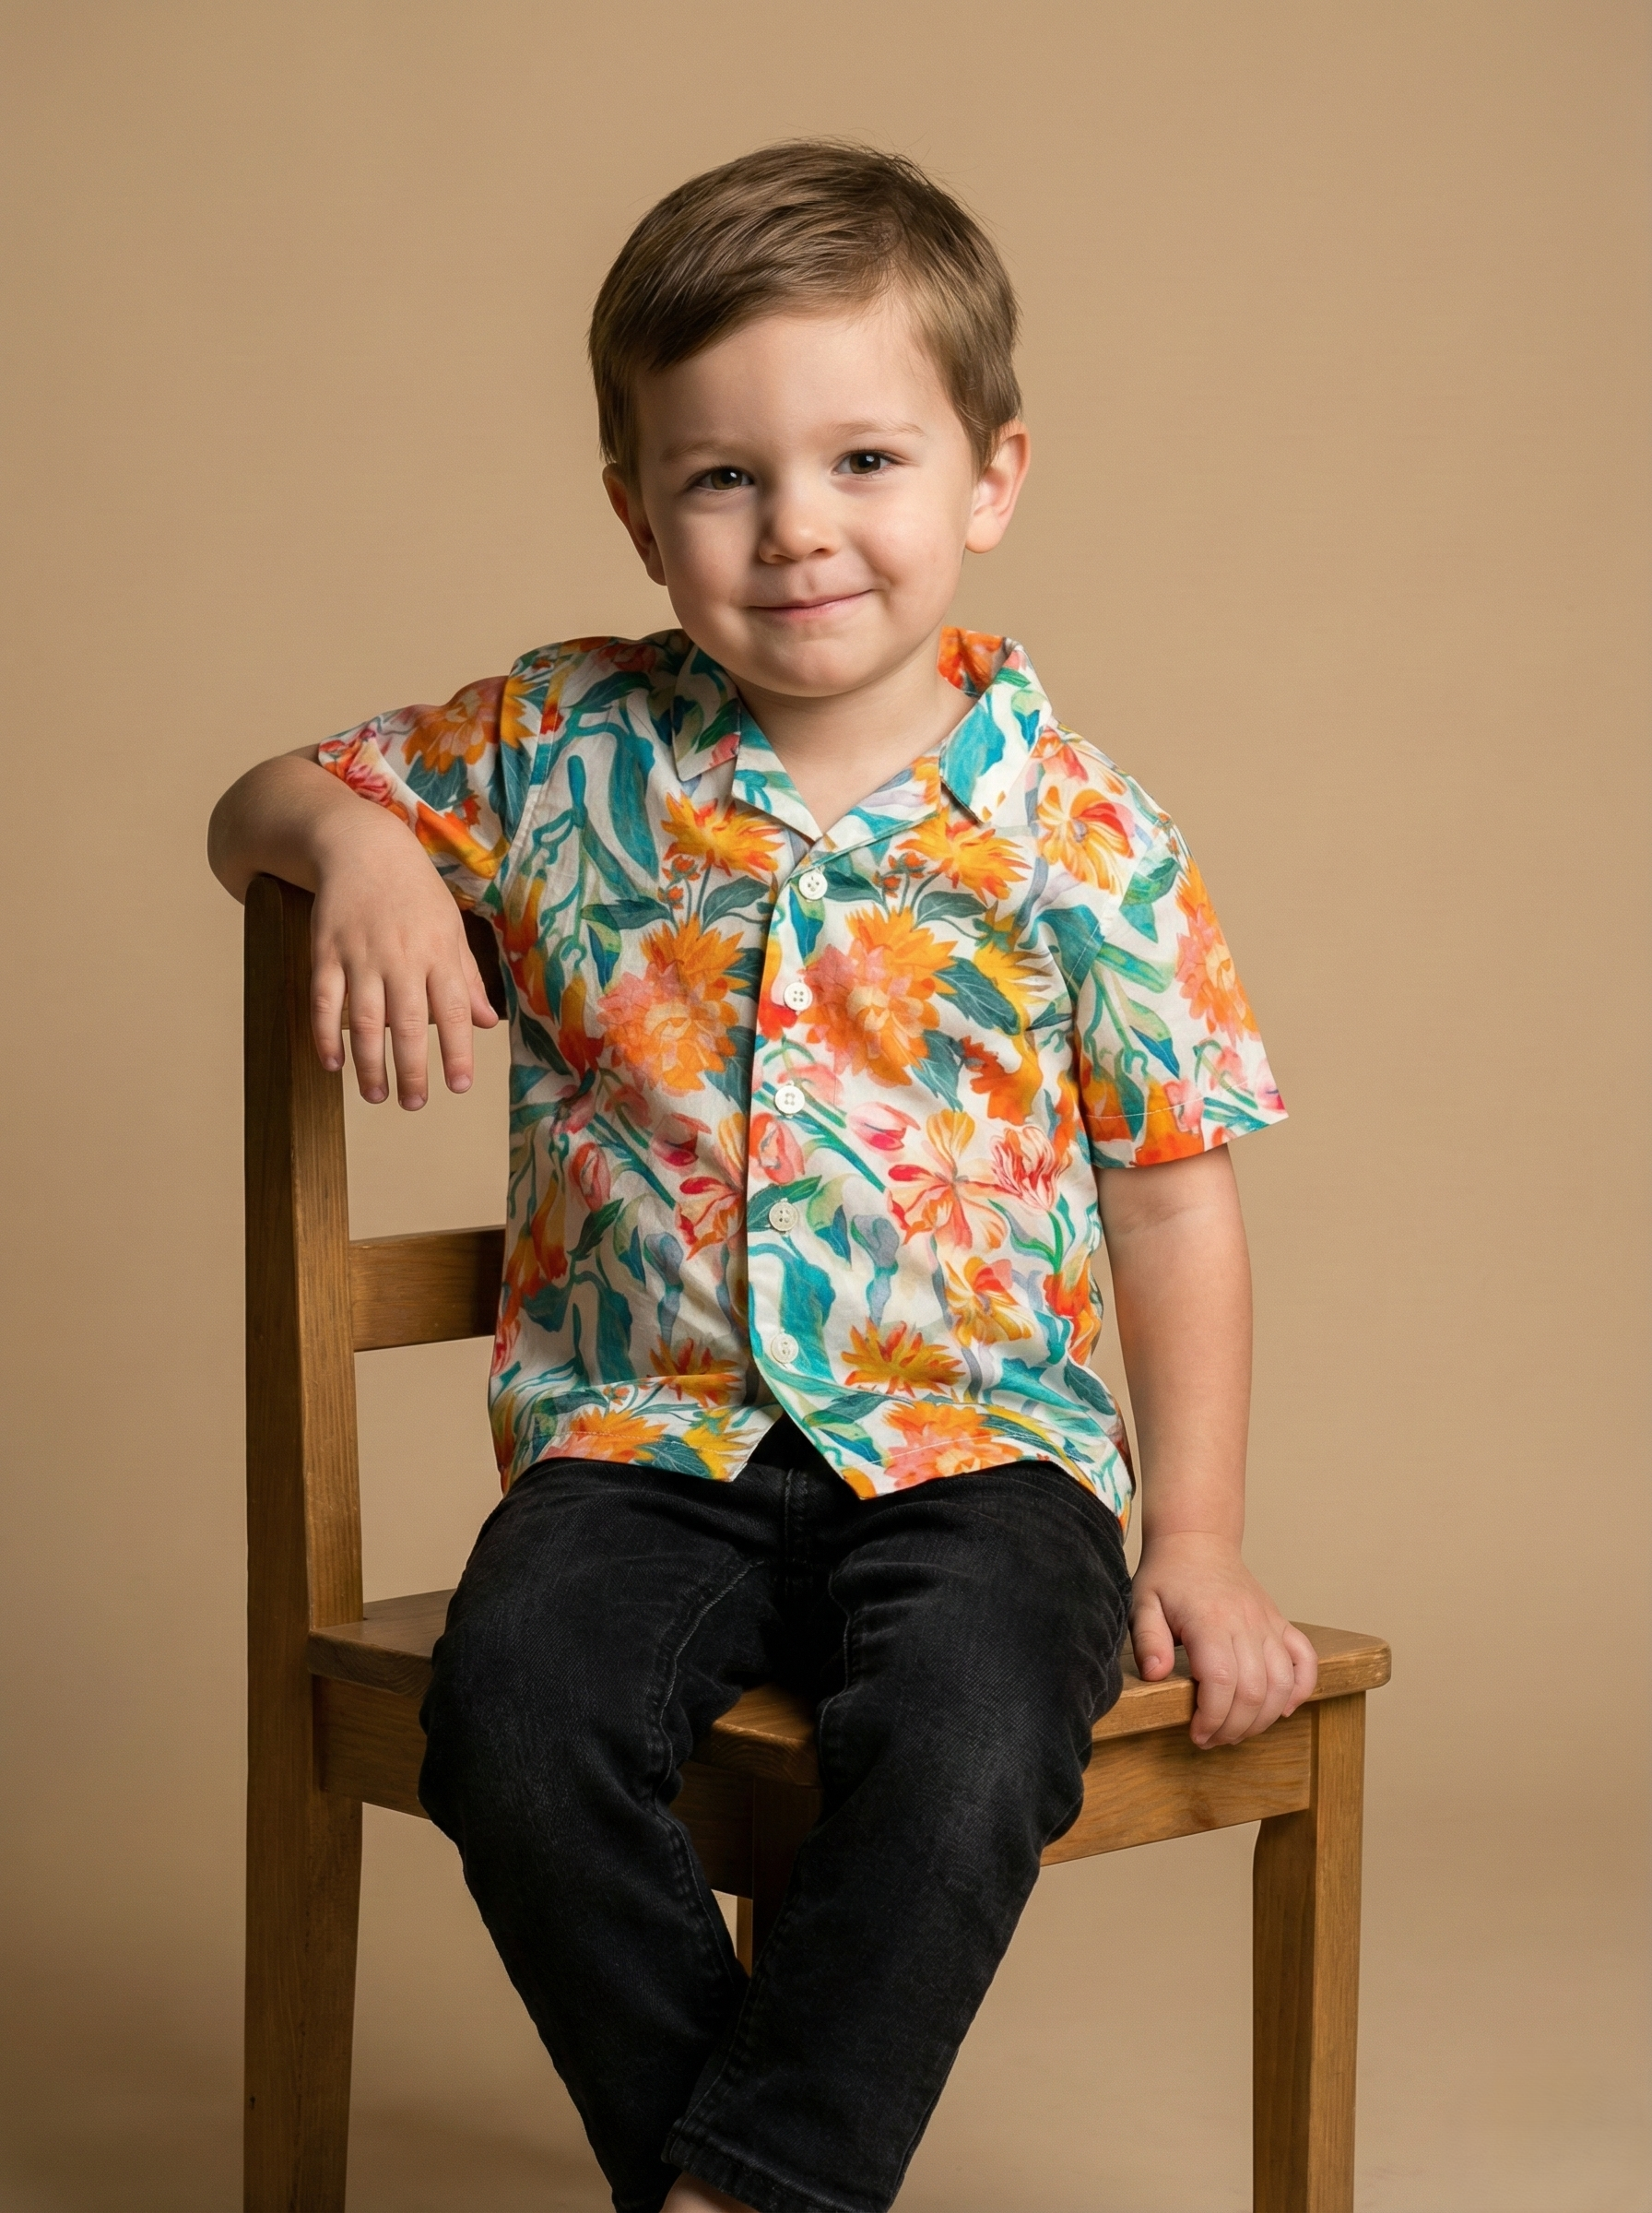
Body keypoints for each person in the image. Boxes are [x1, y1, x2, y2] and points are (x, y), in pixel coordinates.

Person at [209, 140, 1317, 2213]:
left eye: (865, 463)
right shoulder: (555, 750)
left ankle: (742, 2189)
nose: (799, 530)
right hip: (638, 1446)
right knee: (516, 1716)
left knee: (975, 1735)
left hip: (984, 1459)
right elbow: (253, 801)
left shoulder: (1081, 833)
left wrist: (1205, 1540)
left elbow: (1171, 1198)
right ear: (637, 508)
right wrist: (356, 844)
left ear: (987, 478)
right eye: (721, 478)